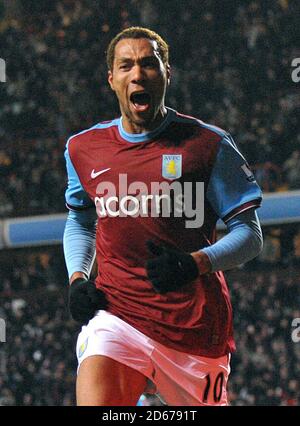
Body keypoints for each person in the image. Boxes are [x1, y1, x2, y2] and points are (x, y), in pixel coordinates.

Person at [63, 26, 263, 406]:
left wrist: (194, 264)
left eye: (148, 64)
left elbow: (250, 235)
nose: (137, 74)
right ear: (112, 79)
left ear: (167, 74)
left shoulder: (208, 144)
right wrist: (77, 278)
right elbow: (81, 219)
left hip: (194, 329)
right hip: (117, 316)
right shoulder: (82, 148)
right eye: (126, 66)